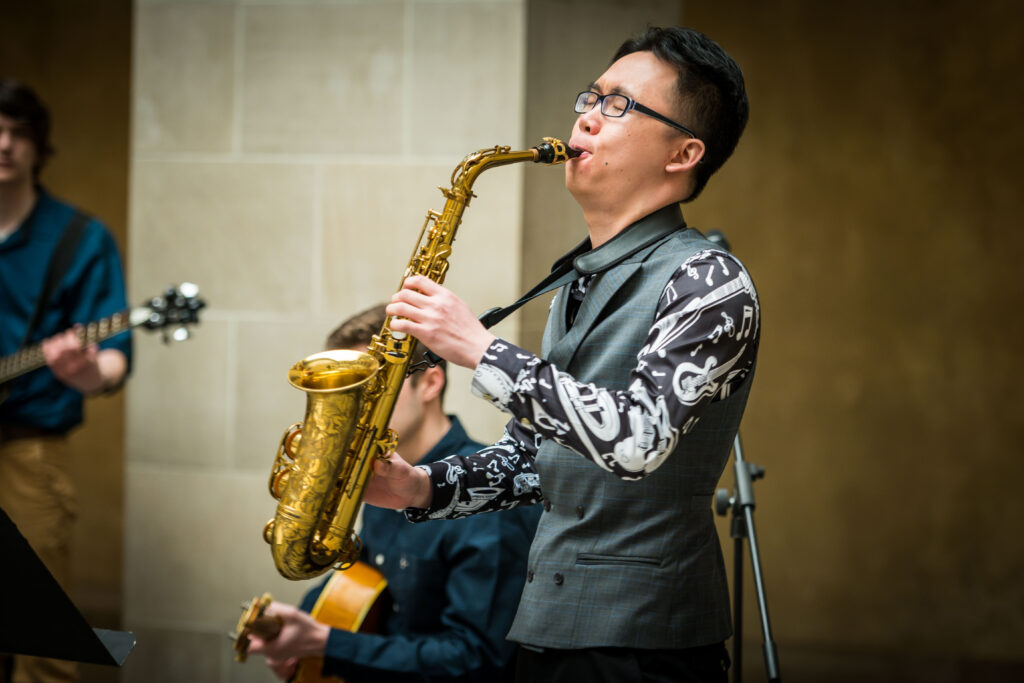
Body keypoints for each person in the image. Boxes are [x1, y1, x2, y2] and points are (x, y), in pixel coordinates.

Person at [369, 26, 759, 683]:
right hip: (545, 629)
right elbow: (536, 460)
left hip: (645, 645)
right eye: (590, 97)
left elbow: (637, 438)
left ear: (683, 152)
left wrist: (479, 348)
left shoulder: (710, 280)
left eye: (618, 105)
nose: (586, 115)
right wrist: (422, 485)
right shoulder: (576, 282)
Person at [247, 304, 541, 682]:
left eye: (370, 387)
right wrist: (300, 630)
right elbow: (360, 583)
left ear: (430, 384)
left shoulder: (491, 496)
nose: (356, 409)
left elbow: (477, 659)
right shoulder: (379, 477)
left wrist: (325, 645)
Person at [0, 80, 132, 683]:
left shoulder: (80, 239)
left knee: (43, 640)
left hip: (26, 451)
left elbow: (114, 360)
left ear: (38, 146)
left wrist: (86, 372)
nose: (4, 144)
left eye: (18, 132)